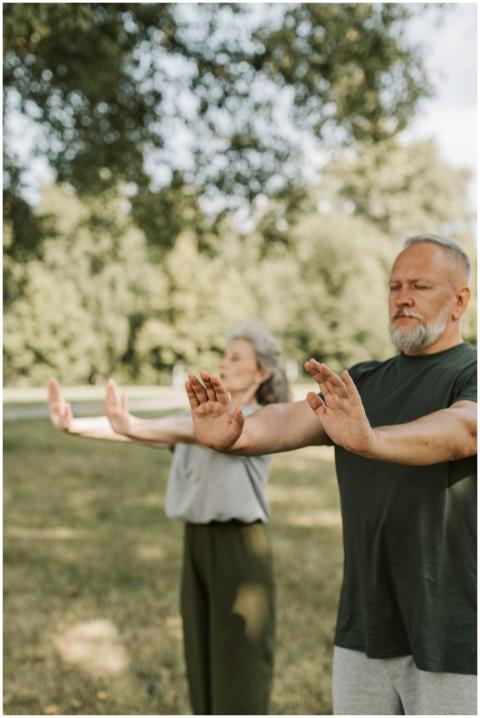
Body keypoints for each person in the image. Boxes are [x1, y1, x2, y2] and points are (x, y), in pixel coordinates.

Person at [185, 235, 477, 715]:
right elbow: (289, 419)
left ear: (460, 298)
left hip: (455, 632)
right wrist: (236, 435)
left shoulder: (471, 372)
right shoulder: (361, 381)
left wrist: (373, 441)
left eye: (419, 286)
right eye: (394, 286)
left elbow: (464, 429)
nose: (402, 297)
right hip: (365, 626)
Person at [48, 322, 291, 715]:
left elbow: (180, 429)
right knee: (201, 649)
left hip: (239, 546)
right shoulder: (195, 416)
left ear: (261, 372)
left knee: (241, 660)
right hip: (196, 542)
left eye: (235, 357)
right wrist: (73, 425)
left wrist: (133, 424)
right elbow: (154, 431)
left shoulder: (262, 418)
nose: (224, 363)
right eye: (223, 355)